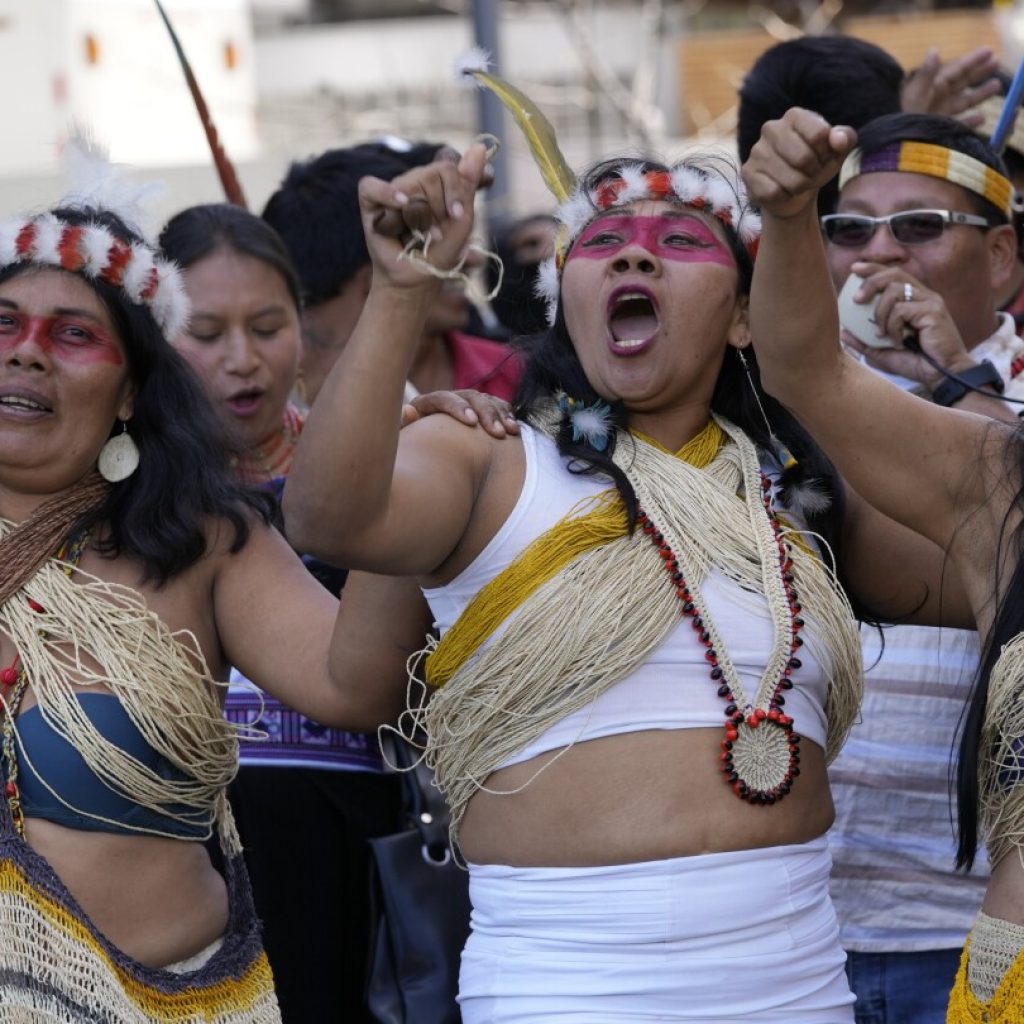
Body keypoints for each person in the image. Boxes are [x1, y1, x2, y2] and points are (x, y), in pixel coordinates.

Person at [278, 126, 984, 1016]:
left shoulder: (799, 496)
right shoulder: (486, 458)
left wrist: (961, 383)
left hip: (796, 991)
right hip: (564, 991)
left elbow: (1000, 575)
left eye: (680, 243)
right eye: (602, 245)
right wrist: (399, 290)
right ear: (563, 298)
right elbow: (325, 518)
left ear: (741, 316)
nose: (633, 261)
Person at [0, 198, 435, 1018]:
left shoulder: (204, 544)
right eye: (3, 323)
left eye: (72, 334)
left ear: (131, 389)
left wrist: (405, 459)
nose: (27, 354)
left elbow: (358, 683)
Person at [743, 104, 1024, 1020]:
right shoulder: (767, 410)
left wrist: (952, 380)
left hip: (971, 927)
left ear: (1003, 259)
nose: (880, 254)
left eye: (920, 227)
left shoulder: (996, 401)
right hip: (796, 924)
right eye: (849, 229)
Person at [262, 141, 521, 406]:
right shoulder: (267, 412)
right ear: (372, 279)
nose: (472, 257)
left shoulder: (522, 378)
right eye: (426, 239)